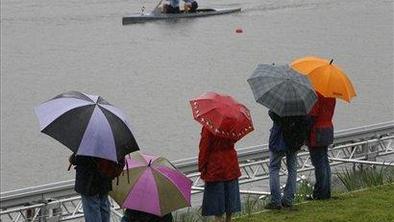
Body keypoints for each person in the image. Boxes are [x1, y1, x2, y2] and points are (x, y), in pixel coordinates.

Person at [265, 110, 310, 209]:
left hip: (279, 138)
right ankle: (288, 199)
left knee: (274, 168)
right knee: (292, 169)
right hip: (294, 138)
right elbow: (306, 120)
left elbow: (273, 114)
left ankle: (276, 201)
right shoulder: (300, 105)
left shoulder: (280, 104)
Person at [198, 126, 241, 222]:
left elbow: (204, 148)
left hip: (216, 167)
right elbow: (235, 138)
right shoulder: (233, 124)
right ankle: (229, 220)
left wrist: (201, 167)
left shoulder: (209, 127)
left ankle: (219, 220)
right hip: (231, 164)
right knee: (230, 200)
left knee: (217, 205)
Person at [69, 154, 124, 222]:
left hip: (88, 181)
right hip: (105, 179)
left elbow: (78, 160)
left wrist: (73, 157)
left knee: (92, 208)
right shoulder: (111, 145)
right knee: (103, 205)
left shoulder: (87, 146)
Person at [307, 92, 336, 200]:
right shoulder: (331, 94)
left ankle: (320, 193)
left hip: (317, 131)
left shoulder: (316, 95)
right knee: (324, 161)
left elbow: (312, 115)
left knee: (318, 163)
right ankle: (326, 191)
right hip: (327, 128)